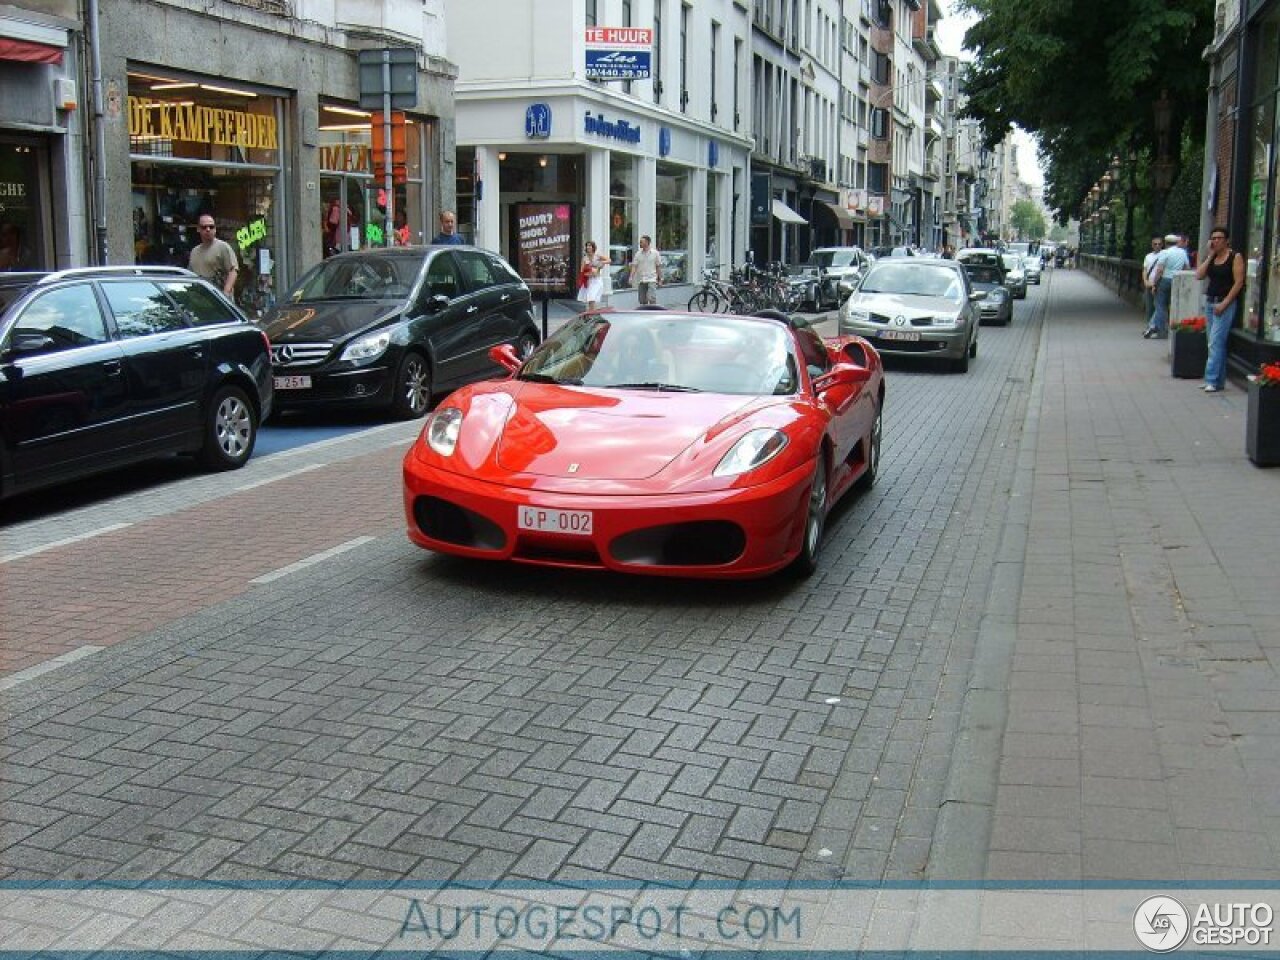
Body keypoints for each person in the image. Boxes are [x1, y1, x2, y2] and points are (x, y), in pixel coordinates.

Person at [1195, 226, 1245, 393]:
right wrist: (1210, 255)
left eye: (1219, 238)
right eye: (1213, 238)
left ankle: (1211, 379)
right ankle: (1218, 380)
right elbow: (1199, 275)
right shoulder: (1213, 257)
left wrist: (1225, 303)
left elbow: (1238, 282)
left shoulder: (1234, 257)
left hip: (1225, 303)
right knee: (1215, 343)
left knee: (1215, 342)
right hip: (1210, 302)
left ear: (1226, 240)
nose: (1216, 241)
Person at [1145, 233, 1189, 339]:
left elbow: (1160, 270)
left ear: (1165, 243)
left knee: (1160, 305)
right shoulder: (1183, 252)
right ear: (1176, 242)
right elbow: (1186, 267)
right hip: (1177, 280)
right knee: (1173, 305)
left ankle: (1160, 330)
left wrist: (1155, 283)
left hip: (1165, 280)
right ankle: (1173, 328)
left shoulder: (1165, 252)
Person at [189, 215, 239, 297]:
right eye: (204, 227)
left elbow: (233, 270)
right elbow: (191, 275)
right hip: (201, 298)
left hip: (219, 298)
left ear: (215, 229)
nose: (208, 229)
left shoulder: (223, 247)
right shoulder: (194, 251)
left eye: (211, 227)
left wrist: (225, 292)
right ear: (198, 229)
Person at [576, 240, 610, 310]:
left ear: (593, 247)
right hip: (589, 280)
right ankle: (591, 313)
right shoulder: (585, 258)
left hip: (596, 280)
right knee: (590, 299)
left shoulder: (597, 256)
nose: (588, 247)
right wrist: (587, 273)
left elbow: (609, 260)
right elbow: (582, 271)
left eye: (590, 246)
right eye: (587, 246)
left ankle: (592, 314)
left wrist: (600, 263)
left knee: (592, 297)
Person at [629, 235, 662, 305]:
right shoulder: (638, 254)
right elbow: (634, 266)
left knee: (651, 298)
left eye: (641, 242)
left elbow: (658, 266)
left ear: (647, 243)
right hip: (641, 279)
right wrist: (631, 277)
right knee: (642, 300)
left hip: (652, 279)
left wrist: (660, 279)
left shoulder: (655, 253)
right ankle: (644, 313)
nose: (639, 244)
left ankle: (654, 312)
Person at [1142, 236, 1164, 329]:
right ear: (1152, 245)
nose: (1157, 246)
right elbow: (1145, 270)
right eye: (1155, 244)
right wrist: (1145, 281)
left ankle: (1156, 327)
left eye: (1159, 244)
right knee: (1149, 307)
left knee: (1159, 307)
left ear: (1162, 245)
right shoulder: (1148, 256)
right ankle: (1149, 326)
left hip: (1159, 285)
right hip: (1149, 284)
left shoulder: (1164, 255)